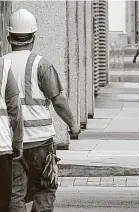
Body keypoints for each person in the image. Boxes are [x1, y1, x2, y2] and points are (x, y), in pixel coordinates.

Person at [4, 9, 81, 212]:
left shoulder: (1, 65)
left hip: (10, 142)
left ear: (9, 37)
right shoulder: (41, 65)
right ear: (34, 37)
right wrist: (73, 125)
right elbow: (59, 101)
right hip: (40, 141)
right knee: (44, 188)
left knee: (14, 193)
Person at [0, 57, 23, 212]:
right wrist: (17, 142)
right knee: (2, 201)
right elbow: (14, 108)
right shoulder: (3, 66)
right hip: (1, 144)